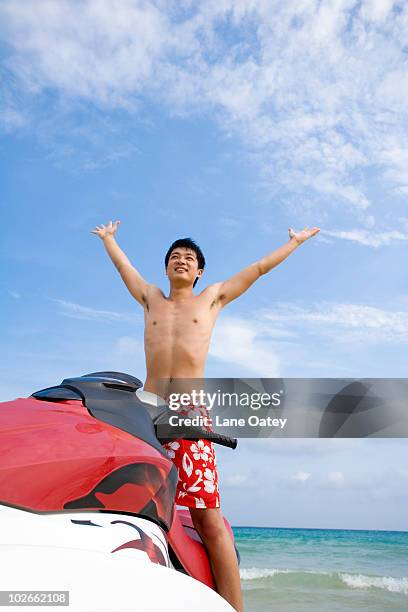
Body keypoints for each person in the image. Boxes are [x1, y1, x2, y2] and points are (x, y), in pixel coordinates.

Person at [92, 220, 320, 611]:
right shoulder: (150, 298)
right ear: (166, 269)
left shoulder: (211, 299)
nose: (181, 261)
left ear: (199, 272)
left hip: (191, 412)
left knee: (206, 516)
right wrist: (110, 240)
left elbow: (259, 269)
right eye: (175, 257)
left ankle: (234, 606)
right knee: (131, 505)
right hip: (146, 411)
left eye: (189, 258)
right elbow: (122, 268)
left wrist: (294, 244)